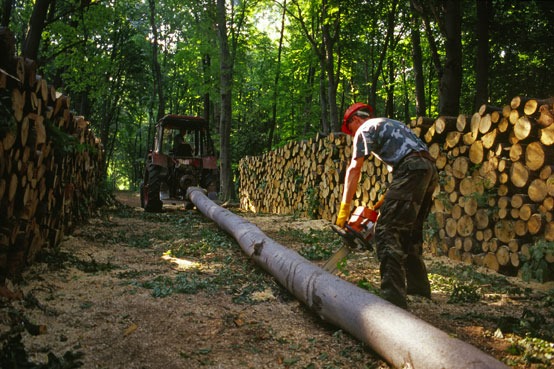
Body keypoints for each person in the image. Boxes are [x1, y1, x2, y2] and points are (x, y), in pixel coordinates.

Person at [336, 102, 438, 309]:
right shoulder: (392, 124)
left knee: (385, 231)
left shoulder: (364, 129)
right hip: (428, 168)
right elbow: (412, 158)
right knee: (409, 230)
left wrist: (344, 210)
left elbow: (354, 168)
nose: (353, 135)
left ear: (355, 120)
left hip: (410, 169)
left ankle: (393, 298)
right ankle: (418, 287)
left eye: (351, 130)